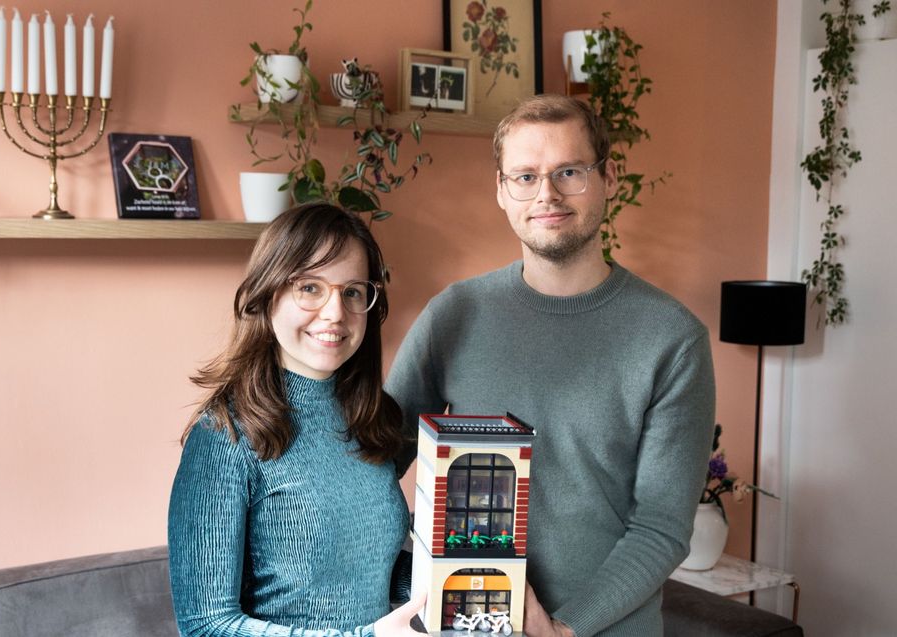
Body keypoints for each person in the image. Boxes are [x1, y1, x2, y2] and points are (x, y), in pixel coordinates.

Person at [385, 95, 715, 636]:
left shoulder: (672, 339)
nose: (547, 194)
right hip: (467, 624)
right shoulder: (455, 313)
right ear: (501, 188)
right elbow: (380, 457)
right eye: (525, 176)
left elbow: (661, 527)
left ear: (608, 176)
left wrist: (565, 629)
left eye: (569, 171)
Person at [169, 203, 423, 637]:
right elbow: (207, 626)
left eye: (352, 292)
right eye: (309, 287)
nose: (334, 313)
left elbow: (363, 566)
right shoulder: (224, 435)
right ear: (268, 295)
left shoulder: (372, 419)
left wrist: (452, 580)